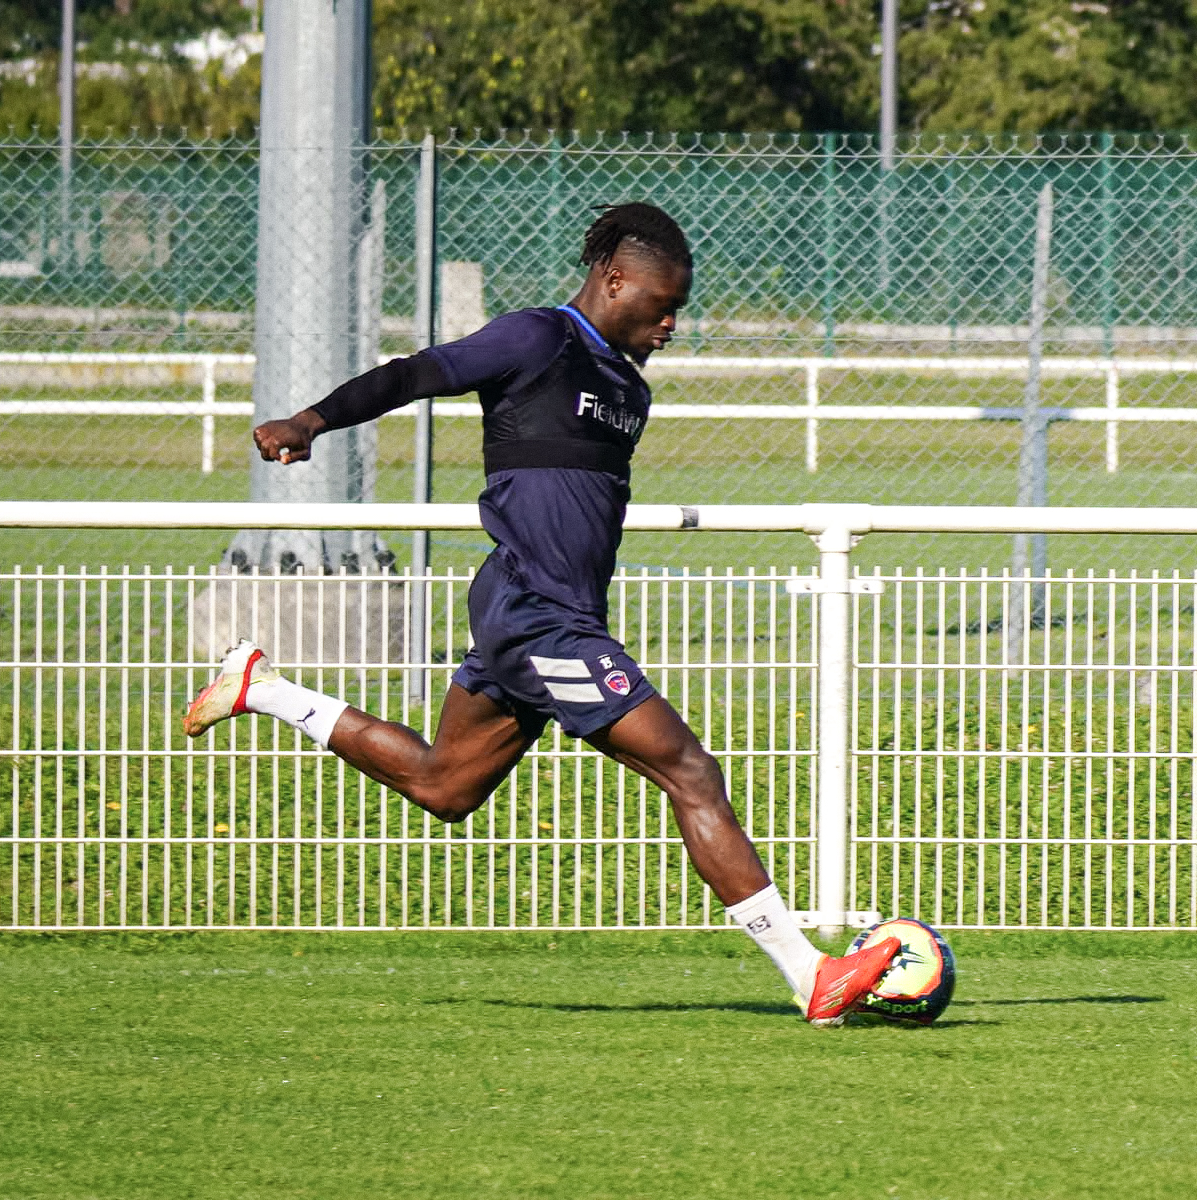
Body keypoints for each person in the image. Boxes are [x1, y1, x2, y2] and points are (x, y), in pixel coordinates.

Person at [183, 202, 897, 1025]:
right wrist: (311, 420)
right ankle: (811, 977)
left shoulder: (629, 383)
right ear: (612, 279)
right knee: (690, 772)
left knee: (444, 785)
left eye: (680, 309)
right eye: (660, 305)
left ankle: (259, 687)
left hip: (535, 610)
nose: (672, 323)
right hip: (539, 616)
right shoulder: (538, 338)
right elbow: (416, 373)